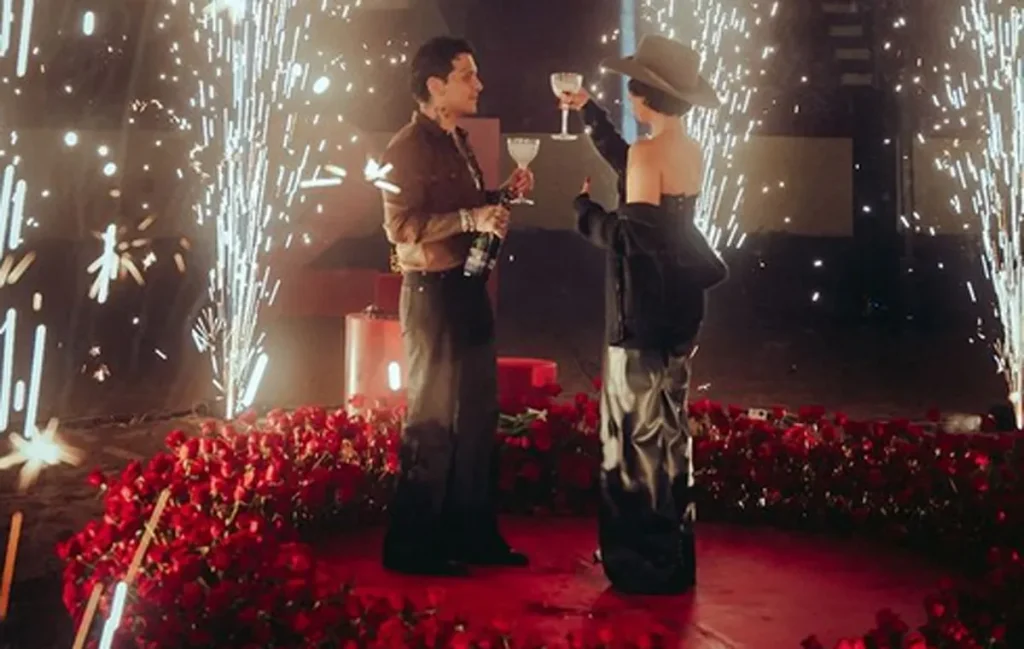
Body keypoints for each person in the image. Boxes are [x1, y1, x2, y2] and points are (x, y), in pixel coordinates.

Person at [560, 34, 728, 594]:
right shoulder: (688, 149)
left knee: (632, 437)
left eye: (633, 91)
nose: (629, 99)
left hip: (641, 312)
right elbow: (634, 171)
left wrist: (584, 213)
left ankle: (640, 561)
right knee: (671, 432)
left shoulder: (648, 155)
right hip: (682, 308)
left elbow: (629, 237)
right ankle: (672, 554)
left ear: (646, 97)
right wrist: (591, 113)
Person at [379, 36, 534, 576]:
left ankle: (471, 534)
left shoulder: (457, 139)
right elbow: (400, 228)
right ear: (435, 85)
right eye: (468, 75)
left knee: (477, 416)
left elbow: (466, 210)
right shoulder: (405, 148)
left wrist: (501, 197)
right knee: (432, 420)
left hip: (467, 288)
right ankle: (414, 547)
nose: (479, 84)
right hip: (431, 294)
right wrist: (473, 218)